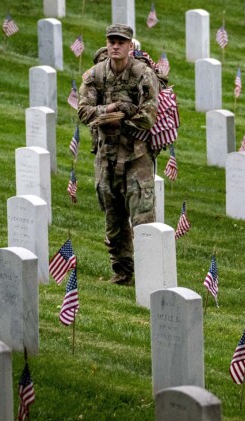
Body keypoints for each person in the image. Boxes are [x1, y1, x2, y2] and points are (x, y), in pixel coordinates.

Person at [78, 24, 160, 285]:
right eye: (111, 41)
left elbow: (148, 116)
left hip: (136, 157)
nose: (115, 46)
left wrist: (121, 120)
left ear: (130, 46)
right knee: (113, 219)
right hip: (106, 156)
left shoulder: (143, 75)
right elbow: (83, 111)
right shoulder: (95, 75)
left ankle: (150, 274)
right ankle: (123, 272)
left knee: (143, 217)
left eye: (121, 42)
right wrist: (111, 108)